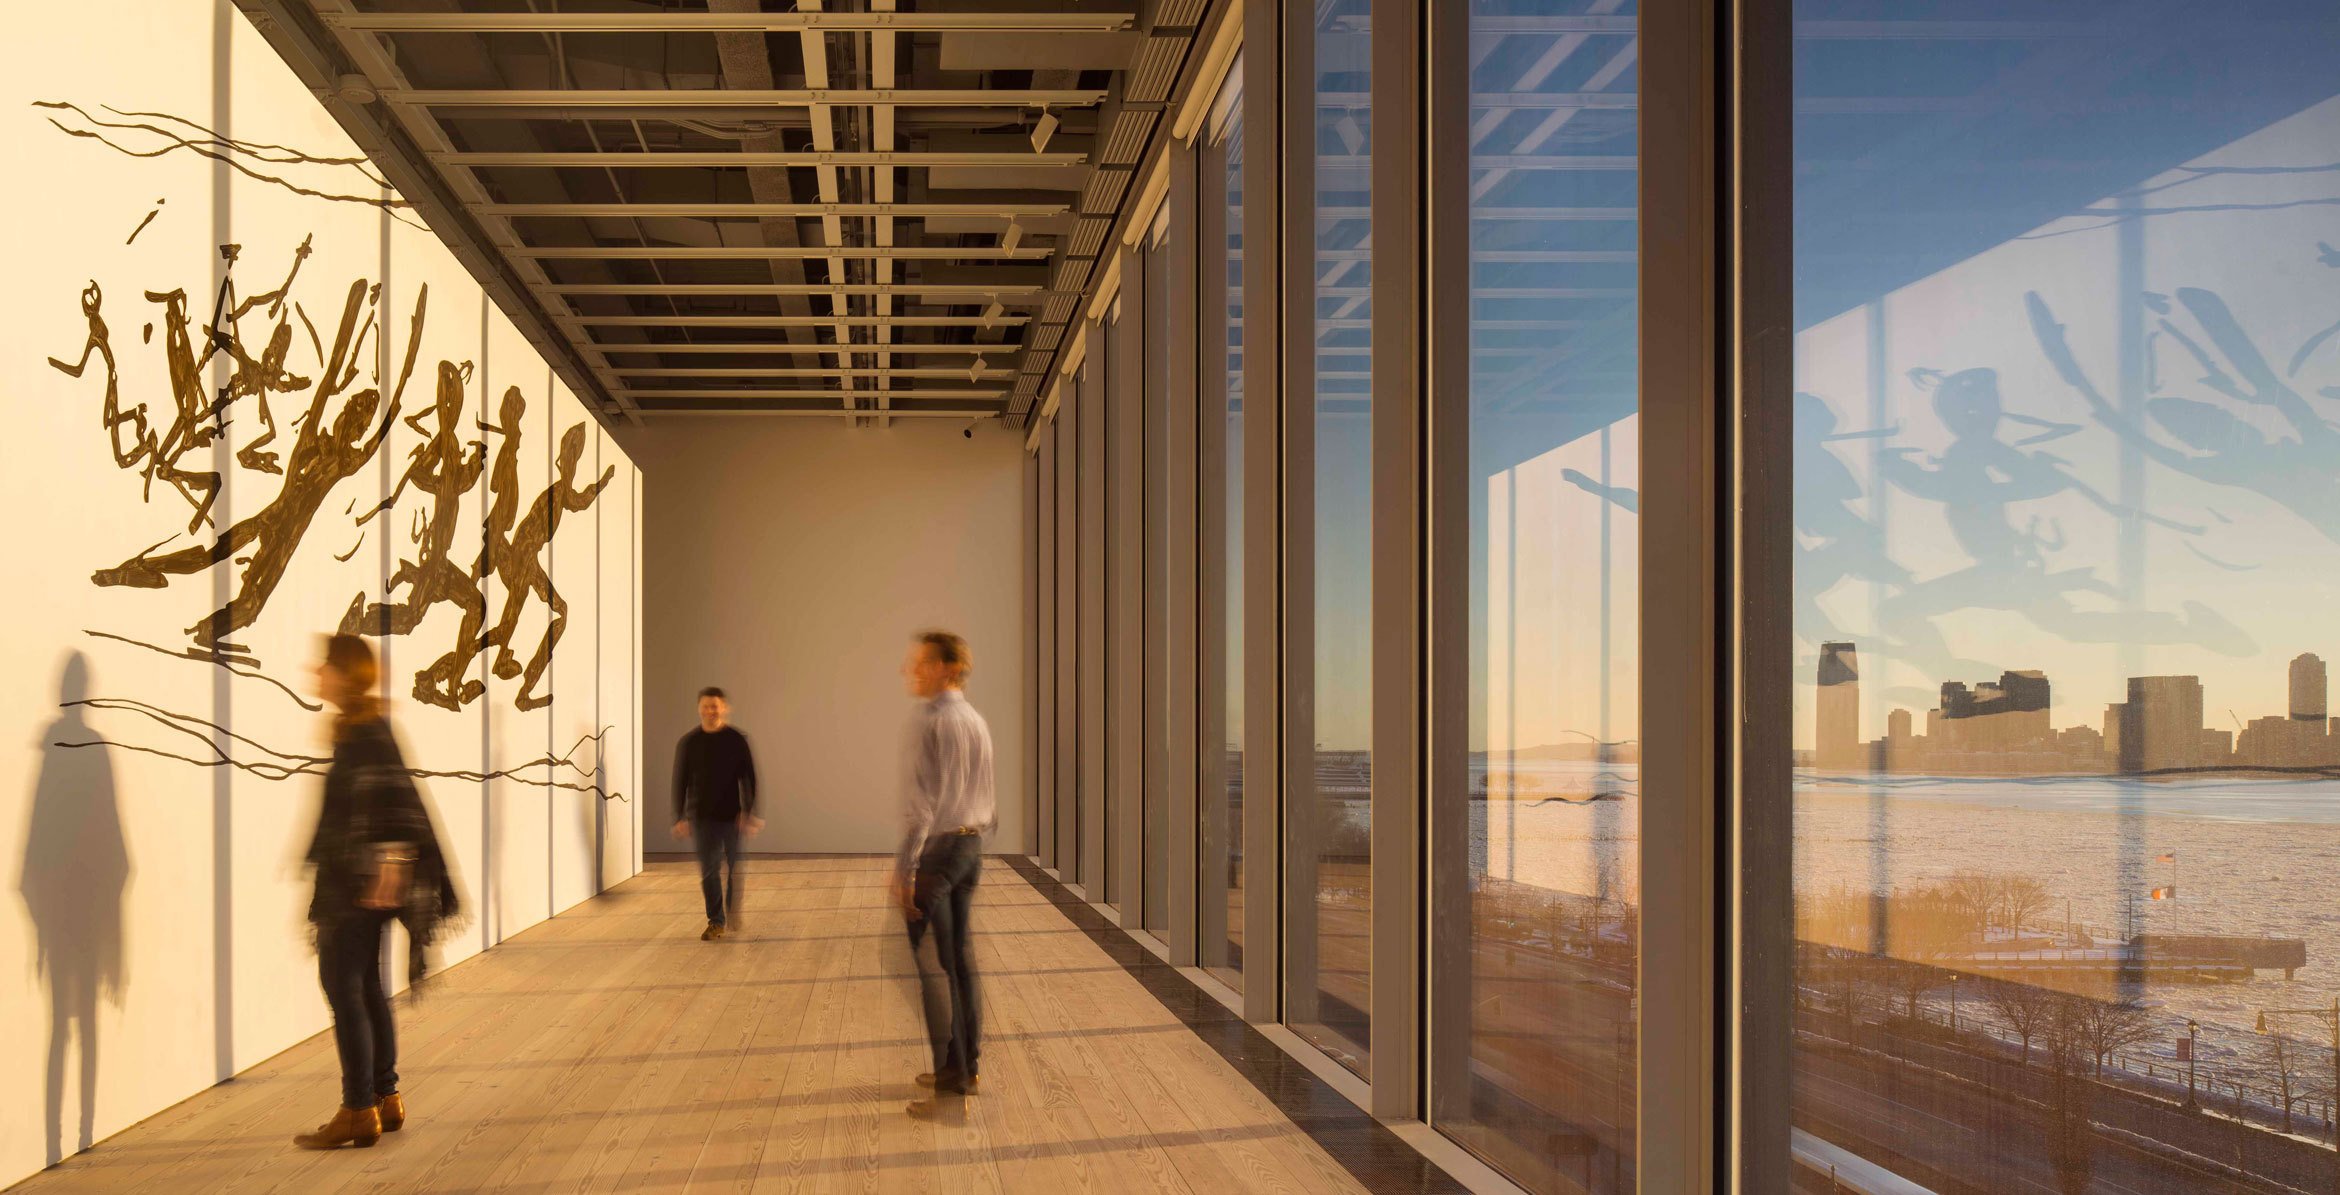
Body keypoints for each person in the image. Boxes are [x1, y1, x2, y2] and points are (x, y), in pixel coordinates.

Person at [295, 634, 460, 1150]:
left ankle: (357, 1107)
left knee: (345, 989)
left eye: (326, 664)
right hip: (363, 885)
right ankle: (385, 1098)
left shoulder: (366, 731)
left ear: (347, 673)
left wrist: (390, 859)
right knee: (366, 987)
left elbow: (398, 801)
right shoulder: (359, 729)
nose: (316, 671)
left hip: (357, 889)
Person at [893, 630, 995, 1118]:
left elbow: (922, 806)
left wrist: (906, 868)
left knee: (931, 968)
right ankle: (964, 1068)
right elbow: (989, 800)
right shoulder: (976, 720)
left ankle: (950, 1091)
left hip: (939, 851)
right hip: (971, 846)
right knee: (958, 963)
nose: (911, 671)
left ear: (948, 669)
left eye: (922, 663)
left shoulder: (930, 720)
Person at [672, 687, 762, 940]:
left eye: (715, 706)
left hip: (732, 816)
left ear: (724, 708)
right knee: (709, 870)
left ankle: (732, 908)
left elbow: (750, 778)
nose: (710, 711)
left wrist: (749, 811)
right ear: (699, 709)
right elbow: (680, 780)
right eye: (706, 706)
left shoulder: (736, 740)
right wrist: (679, 816)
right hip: (701, 817)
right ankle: (716, 921)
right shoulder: (689, 742)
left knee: (734, 868)